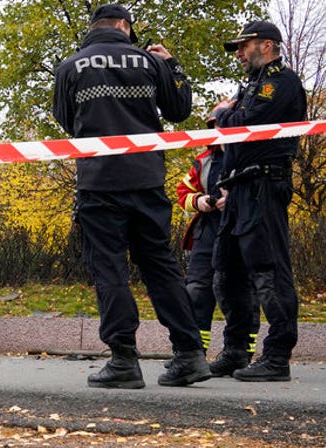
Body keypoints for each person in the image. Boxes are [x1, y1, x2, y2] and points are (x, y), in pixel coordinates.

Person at [52, 4, 210, 388]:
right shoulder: (149, 62)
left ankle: (124, 359)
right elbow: (179, 110)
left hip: (100, 183)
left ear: (95, 27)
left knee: (110, 270)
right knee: (160, 268)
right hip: (146, 180)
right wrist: (171, 65)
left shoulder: (70, 66)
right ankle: (189, 354)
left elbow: (65, 118)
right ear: (125, 26)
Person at [214, 20, 307, 382]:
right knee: (227, 274)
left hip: (264, 185)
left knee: (268, 272)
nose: (238, 53)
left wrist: (223, 114)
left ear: (266, 46)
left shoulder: (280, 81)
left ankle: (277, 356)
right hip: (238, 189)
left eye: (243, 46)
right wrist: (230, 115)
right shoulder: (252, 83)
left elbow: (244, 122)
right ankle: (236, 351)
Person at [175, 109, 260, 375]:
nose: (218, 131)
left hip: (241, 229)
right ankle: (193, 353)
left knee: (240, 292)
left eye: (223, 125)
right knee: (197, 289)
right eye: (215, 126)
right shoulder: (205, 160)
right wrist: (200, 201)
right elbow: (183, 192)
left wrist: (236, 200)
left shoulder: (254, 156)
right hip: (208, 231)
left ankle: (239, 352)